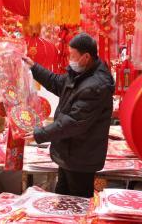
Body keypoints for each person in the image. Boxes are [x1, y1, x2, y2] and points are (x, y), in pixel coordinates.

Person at [22, 33, 114, 198]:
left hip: (82, 157)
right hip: (69, 153)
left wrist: (40, 134)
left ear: (86, 57)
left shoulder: (96, 86)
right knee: (63, 201)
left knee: (78, 204)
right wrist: (33, 67)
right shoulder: (81, 73)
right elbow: (57, 82)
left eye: (72, 56)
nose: (69, 59)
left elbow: (73, 122)